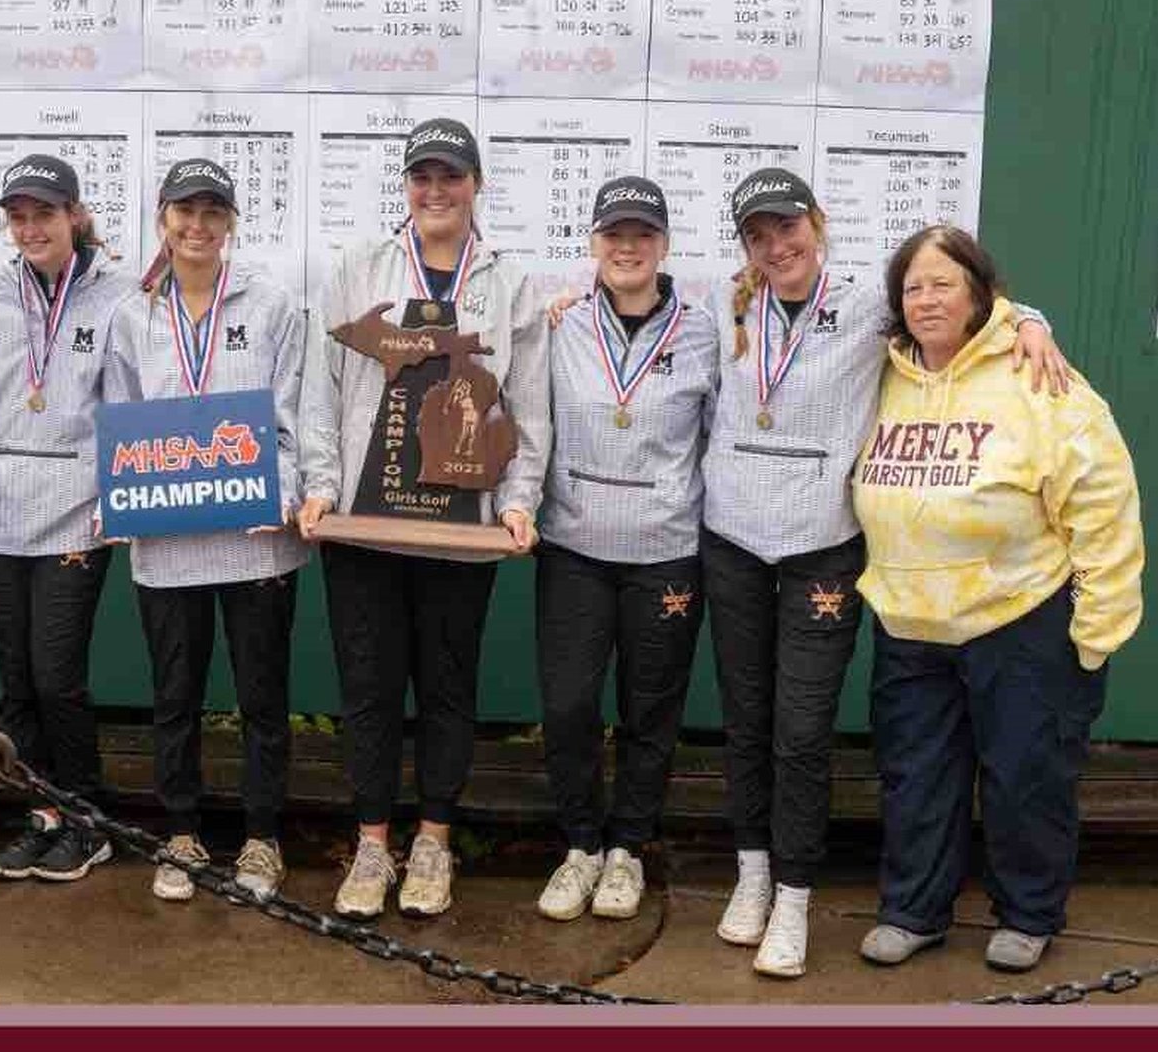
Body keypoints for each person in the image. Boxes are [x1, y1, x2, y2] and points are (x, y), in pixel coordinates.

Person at [700, 168, 1067, 978]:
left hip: (821, 545)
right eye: (758, 235)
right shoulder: (718, 306)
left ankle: (794, 895)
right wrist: (558, 306)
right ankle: (752, 876)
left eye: (787, 228)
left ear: (817, 224)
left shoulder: (871, 303)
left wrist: (1031, 320)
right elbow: (629, 300)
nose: (776, 246)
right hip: (730, 538)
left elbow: (955, 305)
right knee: (746, 721)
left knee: (800, 733)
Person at [851, 225, 1143, 973]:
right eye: (913, 286)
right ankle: (914, 909)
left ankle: (1029, 912)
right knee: (917, 774)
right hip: (910, 621)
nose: (926, 299)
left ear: (982, 292)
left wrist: (1097, 627)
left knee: (1025, 774)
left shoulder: (1036, 374)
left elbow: (1104, 502)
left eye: (943, 282)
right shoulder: (881, 375)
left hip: (1020, 617)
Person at [298, 118, 550, 919]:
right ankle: (373, 845)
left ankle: (434, 841)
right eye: (421, 176)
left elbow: (530, 408)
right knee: (369, 687)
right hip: (365, 529)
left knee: (447, 686)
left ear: (476, 183)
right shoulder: (359, 268)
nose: (435, 190)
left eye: (450, 175)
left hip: (458, 530)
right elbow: (321, 389)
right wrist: (321, 484)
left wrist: (517, 503)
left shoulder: (510, 284)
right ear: (406, 186)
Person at [102, 159, 307, 903]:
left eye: (212, 212)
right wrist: (119, 496)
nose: (197, 226)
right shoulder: (134, 314)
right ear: (162, 219)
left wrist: (275, 492)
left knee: (261, 696)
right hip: (166, 548)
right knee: (175, 697)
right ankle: (181, 833)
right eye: (184, 212)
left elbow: (289, 419)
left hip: (257, 539)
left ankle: (260, 838)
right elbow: (121, 426)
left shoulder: (274, 303)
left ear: (230, 223)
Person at [533, 177, 717, 922]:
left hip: (666, 551)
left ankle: (627, 849)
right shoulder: (557, 323)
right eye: (614, 234)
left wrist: (1022, 315)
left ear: (665, 245)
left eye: (643, 234)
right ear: (593, 245)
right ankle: (580, 844)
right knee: (571, 702)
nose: (628, 246)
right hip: (574, 543)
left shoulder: (709, 329)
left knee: (652, 708)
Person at [0, 154, 135, 883]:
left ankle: (86, 817)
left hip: (75, 511)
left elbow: (131, 404)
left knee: (56, 673)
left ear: (77, 215)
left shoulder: (121, 296)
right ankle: (39, 813)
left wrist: (112, 497)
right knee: (16, 680)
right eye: (19, 216)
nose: (31, 228)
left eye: (45, 213)